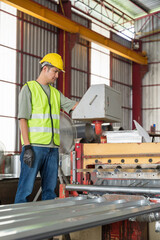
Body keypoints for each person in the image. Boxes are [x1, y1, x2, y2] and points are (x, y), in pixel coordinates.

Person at [15, 53, 78, 203]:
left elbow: (74, 106)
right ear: (45, 69)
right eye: (55, 71)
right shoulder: (29, 88)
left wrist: (95, 105)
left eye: (58, 72)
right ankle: (19, 223)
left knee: (50, 191)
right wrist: (27, 146)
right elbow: (22, 119)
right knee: (25, 189)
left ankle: (47, 224)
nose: (57, 75)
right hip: (34, 148)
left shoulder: (56, 94)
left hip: (52, 149)